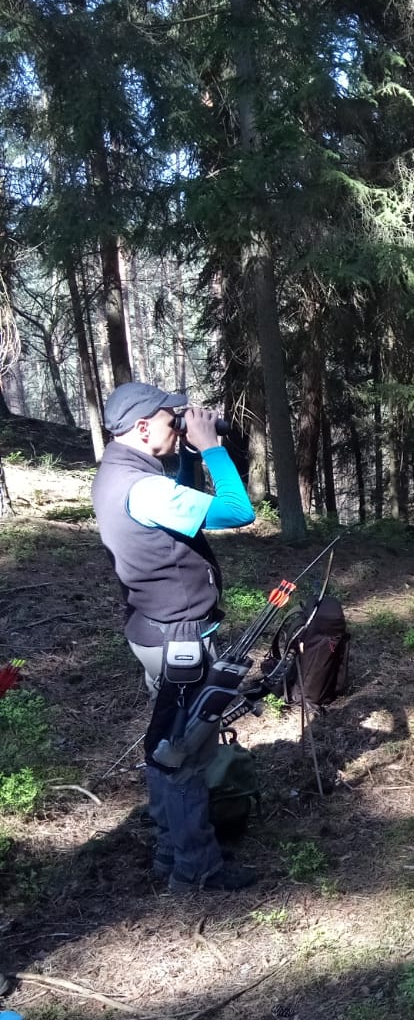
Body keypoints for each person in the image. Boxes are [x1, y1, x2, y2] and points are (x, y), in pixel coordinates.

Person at [92, 381, 258, 893]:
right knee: (186, 753)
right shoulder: (145, 489)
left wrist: (186, 456)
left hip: (153, 630)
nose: (179, 424)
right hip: (180, 641)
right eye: (172, 419)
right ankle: (197, 867)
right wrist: (211, 448)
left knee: (166, 742)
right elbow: (238, 511)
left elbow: (180, 512)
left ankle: (170, 847)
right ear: (143, 427)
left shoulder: (116, 472)